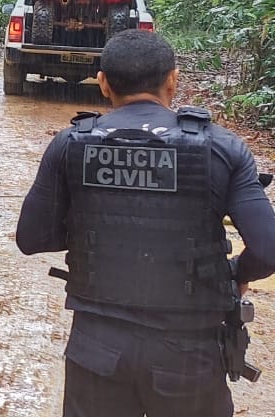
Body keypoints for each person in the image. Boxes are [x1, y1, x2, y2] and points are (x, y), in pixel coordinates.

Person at [16, 29, 275, 417]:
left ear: (102, 83)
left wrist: (96, 230)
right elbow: (269, 249)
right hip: (190, 355)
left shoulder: (71, 144)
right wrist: (235, 271)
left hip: (96, 351)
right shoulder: (223, 148)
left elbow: (31, 238)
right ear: (173, 79)